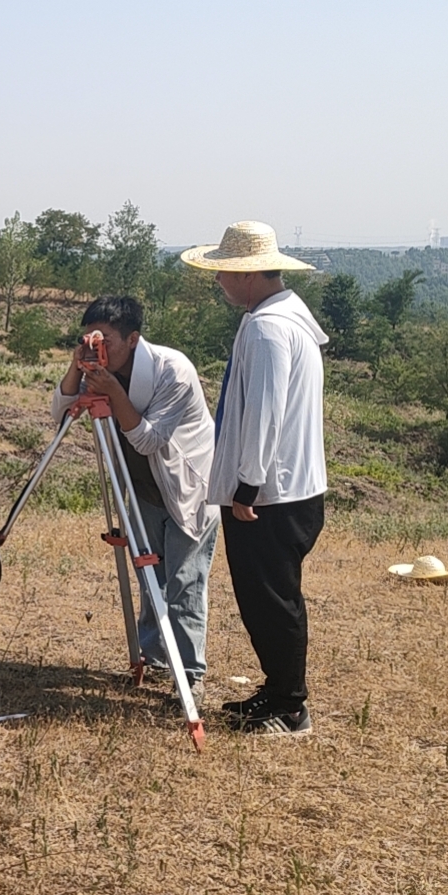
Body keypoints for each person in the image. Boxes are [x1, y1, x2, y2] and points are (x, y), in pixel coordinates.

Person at [181, 221, 328, 736]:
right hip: (287, 486)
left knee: (272, 600)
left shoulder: (269, 327)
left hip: (272, 493)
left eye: (224, 271)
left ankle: (290, 706)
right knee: (268, 598)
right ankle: (277, 689)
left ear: (245, 274)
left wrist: (247, 485)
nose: (219, 280)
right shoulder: (283, 317)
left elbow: (265, 411)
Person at [53, 296, 218, 695]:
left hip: (187, 489)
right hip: (143, 491)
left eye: (105, 339)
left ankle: (189, 675)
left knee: (183, 584)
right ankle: (156, 658)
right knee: (150, 580)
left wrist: (112, 389)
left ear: (133, 338)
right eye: (90, 338)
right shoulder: (97, 369)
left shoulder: (172, 370)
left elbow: (148, 439)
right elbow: (59, 415)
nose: (97, 346)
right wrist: (77, 370)